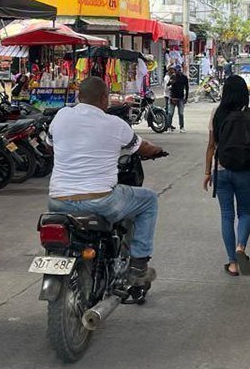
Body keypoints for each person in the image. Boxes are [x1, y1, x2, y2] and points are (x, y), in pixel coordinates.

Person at [48, 77, 165, 280]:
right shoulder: (114, 124)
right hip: (100, 201)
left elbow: (50, 144)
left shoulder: (61, 116)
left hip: (58, 201)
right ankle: (138, 264)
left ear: (79, 96)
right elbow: (142, 147)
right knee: (149, 199)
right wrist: (158, 150)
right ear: (104, 98)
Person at [203, 75, 250, 276]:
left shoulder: (217, 113)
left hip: (222, 170)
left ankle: (233, 263)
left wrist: (207, 172)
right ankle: (241, 248)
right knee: (245, 213)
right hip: (244, 171)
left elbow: (211, 146)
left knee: (226, 215)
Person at [166, 66, 189, 132]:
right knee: (170, 113)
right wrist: (171, 81)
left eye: (179, 71)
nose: (177, 72)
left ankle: (182, 127)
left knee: (181, 113)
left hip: (181, 98)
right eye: (176, 71)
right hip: (173, 97)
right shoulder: (173, 77)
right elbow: (168, 84)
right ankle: (169, 127)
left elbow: (187, 88)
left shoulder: (184, 77)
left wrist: (186, 98)